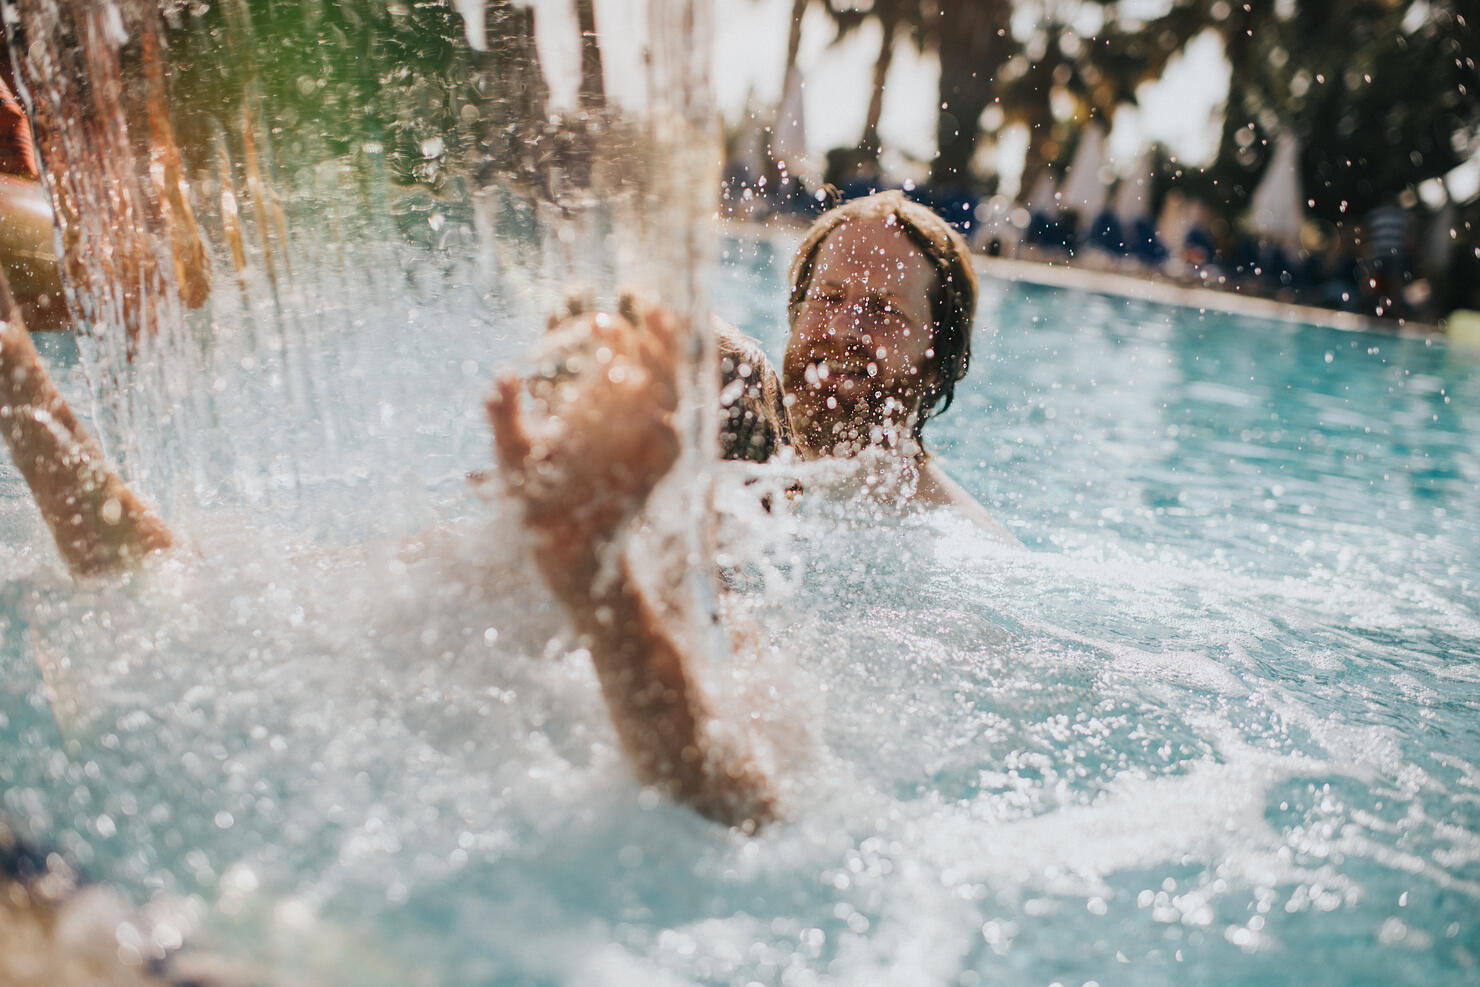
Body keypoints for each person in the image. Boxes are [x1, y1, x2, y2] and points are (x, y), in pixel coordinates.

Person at [2, 193, 1010, 831]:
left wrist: (598, 588)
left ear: (936, 351)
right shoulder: (489, 554)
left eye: (881, 313)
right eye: (831, 302)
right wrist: (15, 372)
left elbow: (745, 802)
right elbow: (157, 571)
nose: (843, 332)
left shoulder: (775, 595)